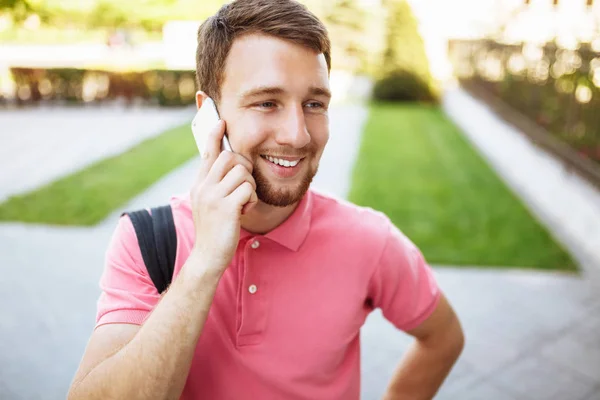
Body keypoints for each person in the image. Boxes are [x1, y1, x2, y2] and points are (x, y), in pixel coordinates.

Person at [68, 1, 464, 399]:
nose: (297, 135)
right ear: (209, 115)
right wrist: (204, 262)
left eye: (314, 104)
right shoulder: (145, 241)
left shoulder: (370, 238)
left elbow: (443, 338)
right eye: (266, 102)